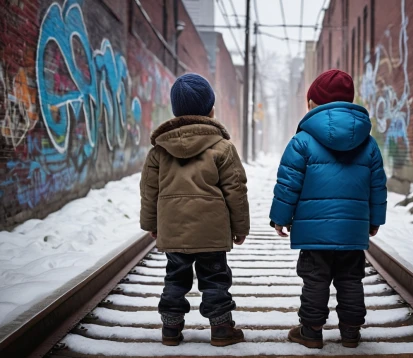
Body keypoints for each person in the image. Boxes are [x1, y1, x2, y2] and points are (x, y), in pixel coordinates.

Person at [269, 69, 387, 349]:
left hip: (314, 232)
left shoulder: (302, 140)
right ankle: (350, 333)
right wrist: (375, 219)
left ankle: (310, 331)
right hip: (351, 230)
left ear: (312, 104)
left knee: (314, 280)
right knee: (351, 279)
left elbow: (288, 182)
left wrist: (280, 218)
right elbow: (377, 185)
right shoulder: (368, 143)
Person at [140, 73, 250, 347]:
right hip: (211, 232)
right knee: (215, 278)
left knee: (175, 278)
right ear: (211, 110)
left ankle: (170, 329)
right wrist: (240, 227)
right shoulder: (222, 148)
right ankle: (222, 328)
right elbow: (236, 190)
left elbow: (149, 191)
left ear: (175, 111)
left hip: (174, 230)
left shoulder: (159, 151)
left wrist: (151, 223)